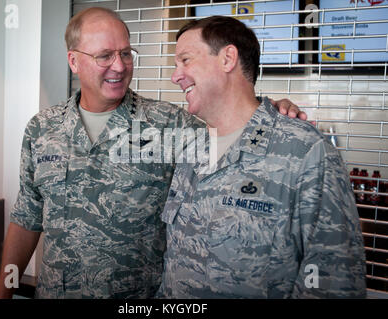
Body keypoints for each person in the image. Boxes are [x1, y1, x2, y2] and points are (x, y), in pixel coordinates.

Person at [0, 8, 306, 299]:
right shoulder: (43, 129)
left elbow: (235, 138)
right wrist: (4, 290)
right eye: (105, 56)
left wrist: (270, 111)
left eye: (126, 54)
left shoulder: (169, 126)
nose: (119, 66)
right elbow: (26, 218)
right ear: (74, 61)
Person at [157, 16, 367, 299]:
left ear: (228, 58)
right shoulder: (192, 149)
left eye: (185, 60)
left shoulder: (305, 152)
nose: (175, 76)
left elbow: (333, 282)